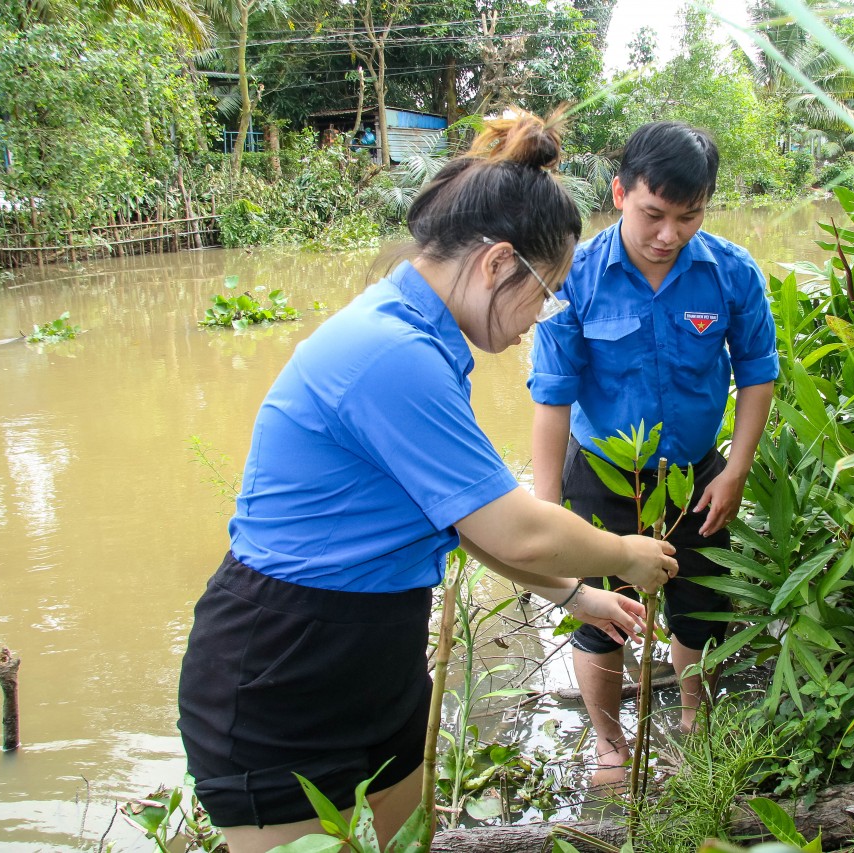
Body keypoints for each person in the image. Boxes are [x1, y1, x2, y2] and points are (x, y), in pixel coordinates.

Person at [177, 111, 678, 853]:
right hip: (282, 671)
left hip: (374, 653)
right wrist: (626, 555)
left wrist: (575, 594)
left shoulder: (427, 343)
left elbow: (468, 524)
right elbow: (519, 525)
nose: (542, 316)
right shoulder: (391, 353)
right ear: (497, 263)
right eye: (548, 291)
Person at [528, 120, 778, 779]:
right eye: (653, 214)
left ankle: (695, 717)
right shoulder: (572, 277)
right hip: (603, 479)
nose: (668, 234)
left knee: (700, 608)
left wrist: (738, 469)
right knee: (599, 618)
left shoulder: (731, 273)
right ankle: (610, 744)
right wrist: (546, 512)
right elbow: (551, 397)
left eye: (688, 216)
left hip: (698, 476)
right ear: (618, 193)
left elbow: (757, 370)